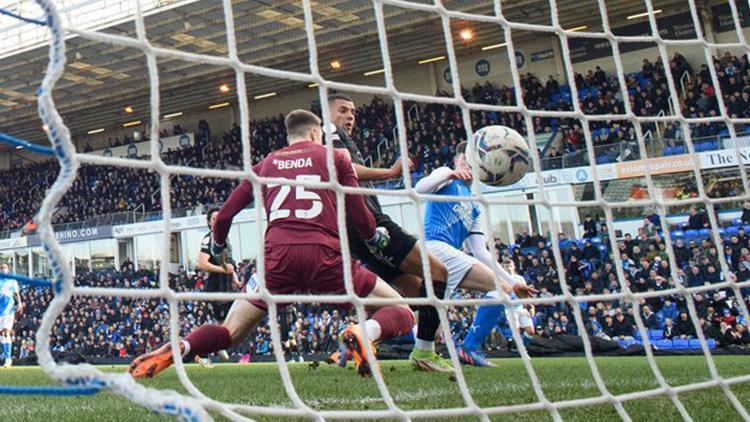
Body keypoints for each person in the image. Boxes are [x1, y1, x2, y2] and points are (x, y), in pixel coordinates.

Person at [129, 110, 414, 379]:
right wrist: (374, 238)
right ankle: (365, 332)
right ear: (316, 133)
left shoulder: (266, 164)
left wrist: (217, 247)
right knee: (401, 310)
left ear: (290, 135)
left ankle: (184, 347)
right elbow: (361, 218)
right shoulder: (335, 157)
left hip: (276, 262)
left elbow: (225, 214)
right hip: (325, 257)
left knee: (232, 332)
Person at [326, 94, 450, 371]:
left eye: (353, 112)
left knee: (415, 295)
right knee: (439, 272)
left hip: (354, 231)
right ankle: (424, 353)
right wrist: (390, 172)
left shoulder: (340, 138)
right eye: (343, 110)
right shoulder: (329, 131)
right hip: (368, 223)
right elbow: (343, 168)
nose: (350, 117)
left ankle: (364, 335)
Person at [414, 142, 535, 368]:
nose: (468, 167)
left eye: (474, 163)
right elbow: (419, 189)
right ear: (457, 162)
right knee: (501, 289)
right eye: (464, 161)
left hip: (448, 258)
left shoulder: (474, 206)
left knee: (419, 318)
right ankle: (469, 348)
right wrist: (450, 173)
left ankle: (365, 335)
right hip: (434, 247)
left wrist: (513, 281)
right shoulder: (446, 177)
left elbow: (481, 252)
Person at [194, 208, 241, 367]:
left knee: (227, 322)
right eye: (213, 219)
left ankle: (218, 345)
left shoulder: (225, 239)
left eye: (219, 218)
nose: (217, 221)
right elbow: (202, 263)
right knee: (216, 322)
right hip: (215, 288)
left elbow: (230, 262)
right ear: (208, 222)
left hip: (226, 286)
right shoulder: (208, 239)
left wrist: (233, 276)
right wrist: (223, 270)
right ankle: (202, 354)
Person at [0, 263, 22, 368]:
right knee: (1, 334)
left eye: (4, 267)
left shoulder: (12, 280)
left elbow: (16, 293)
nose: (3, 269)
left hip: (9, 310)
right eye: (1, 268)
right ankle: (6, 355)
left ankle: (8, 358)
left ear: (8, 269)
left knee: (6, 332)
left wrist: (20, 303)